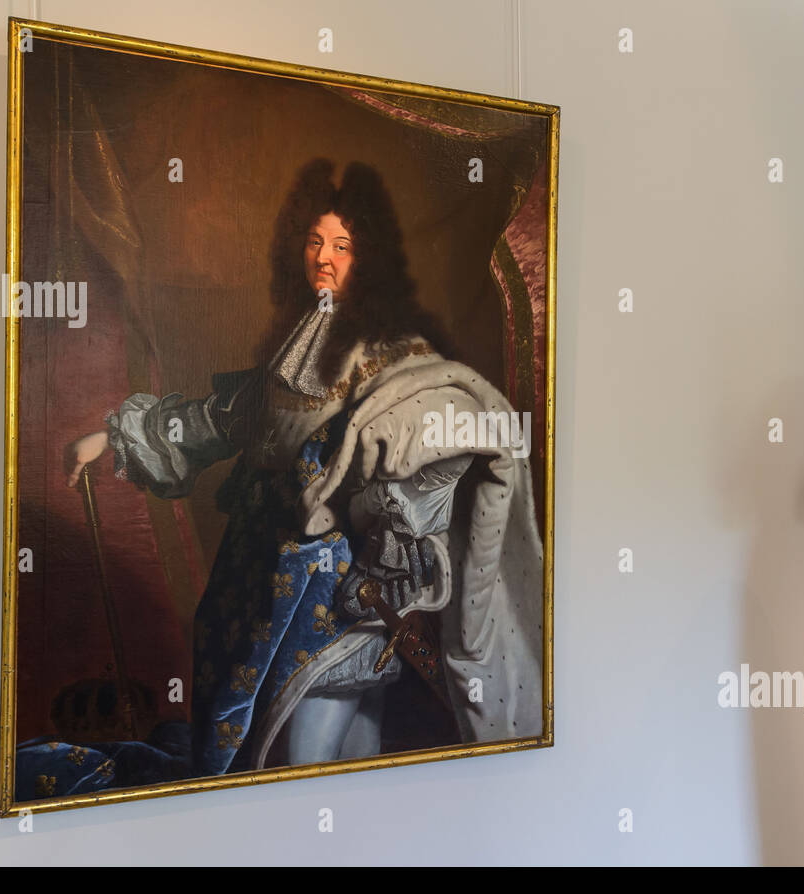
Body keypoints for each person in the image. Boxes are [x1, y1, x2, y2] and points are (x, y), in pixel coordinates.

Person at [59, 159, 543, 781]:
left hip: (335, 586)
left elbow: (440, 436)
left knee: (310, 757)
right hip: (258, 574)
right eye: (315, 241)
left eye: (342, 245)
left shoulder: (396, 353)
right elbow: (224, 420)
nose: (325, 257)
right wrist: (113, 436)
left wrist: (379, 504)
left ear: (367, 258)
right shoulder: (296, 340)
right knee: (333, 749)